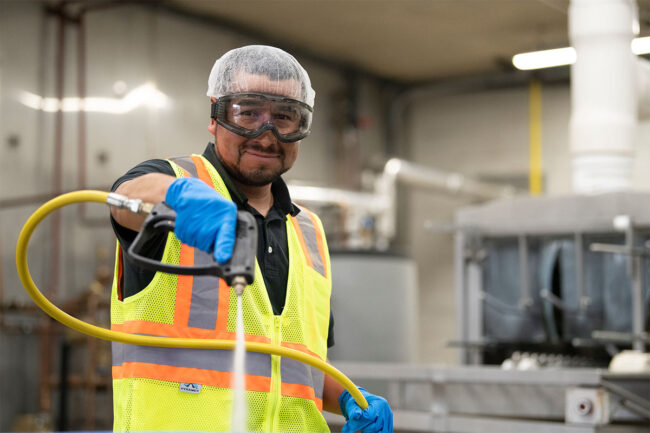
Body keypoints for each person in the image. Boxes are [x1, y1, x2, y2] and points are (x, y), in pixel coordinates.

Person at [109, 45, 393, 433]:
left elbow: (293, 364)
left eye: (285, 117)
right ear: (215, 116)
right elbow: (124, 198)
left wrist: (346, 397)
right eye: (248, 113)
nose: (266, 133)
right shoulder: (177, 182)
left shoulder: (308, 230)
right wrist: (174, 196)